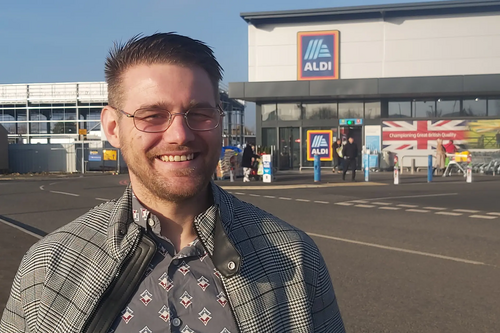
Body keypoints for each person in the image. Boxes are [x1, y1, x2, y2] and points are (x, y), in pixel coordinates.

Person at [0, 33, 345, 333]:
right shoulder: (48, 267)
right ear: (112, 128)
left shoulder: (295, 258)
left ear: (219, 120)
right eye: (152, 116)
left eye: (199, 113)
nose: (180, 135)